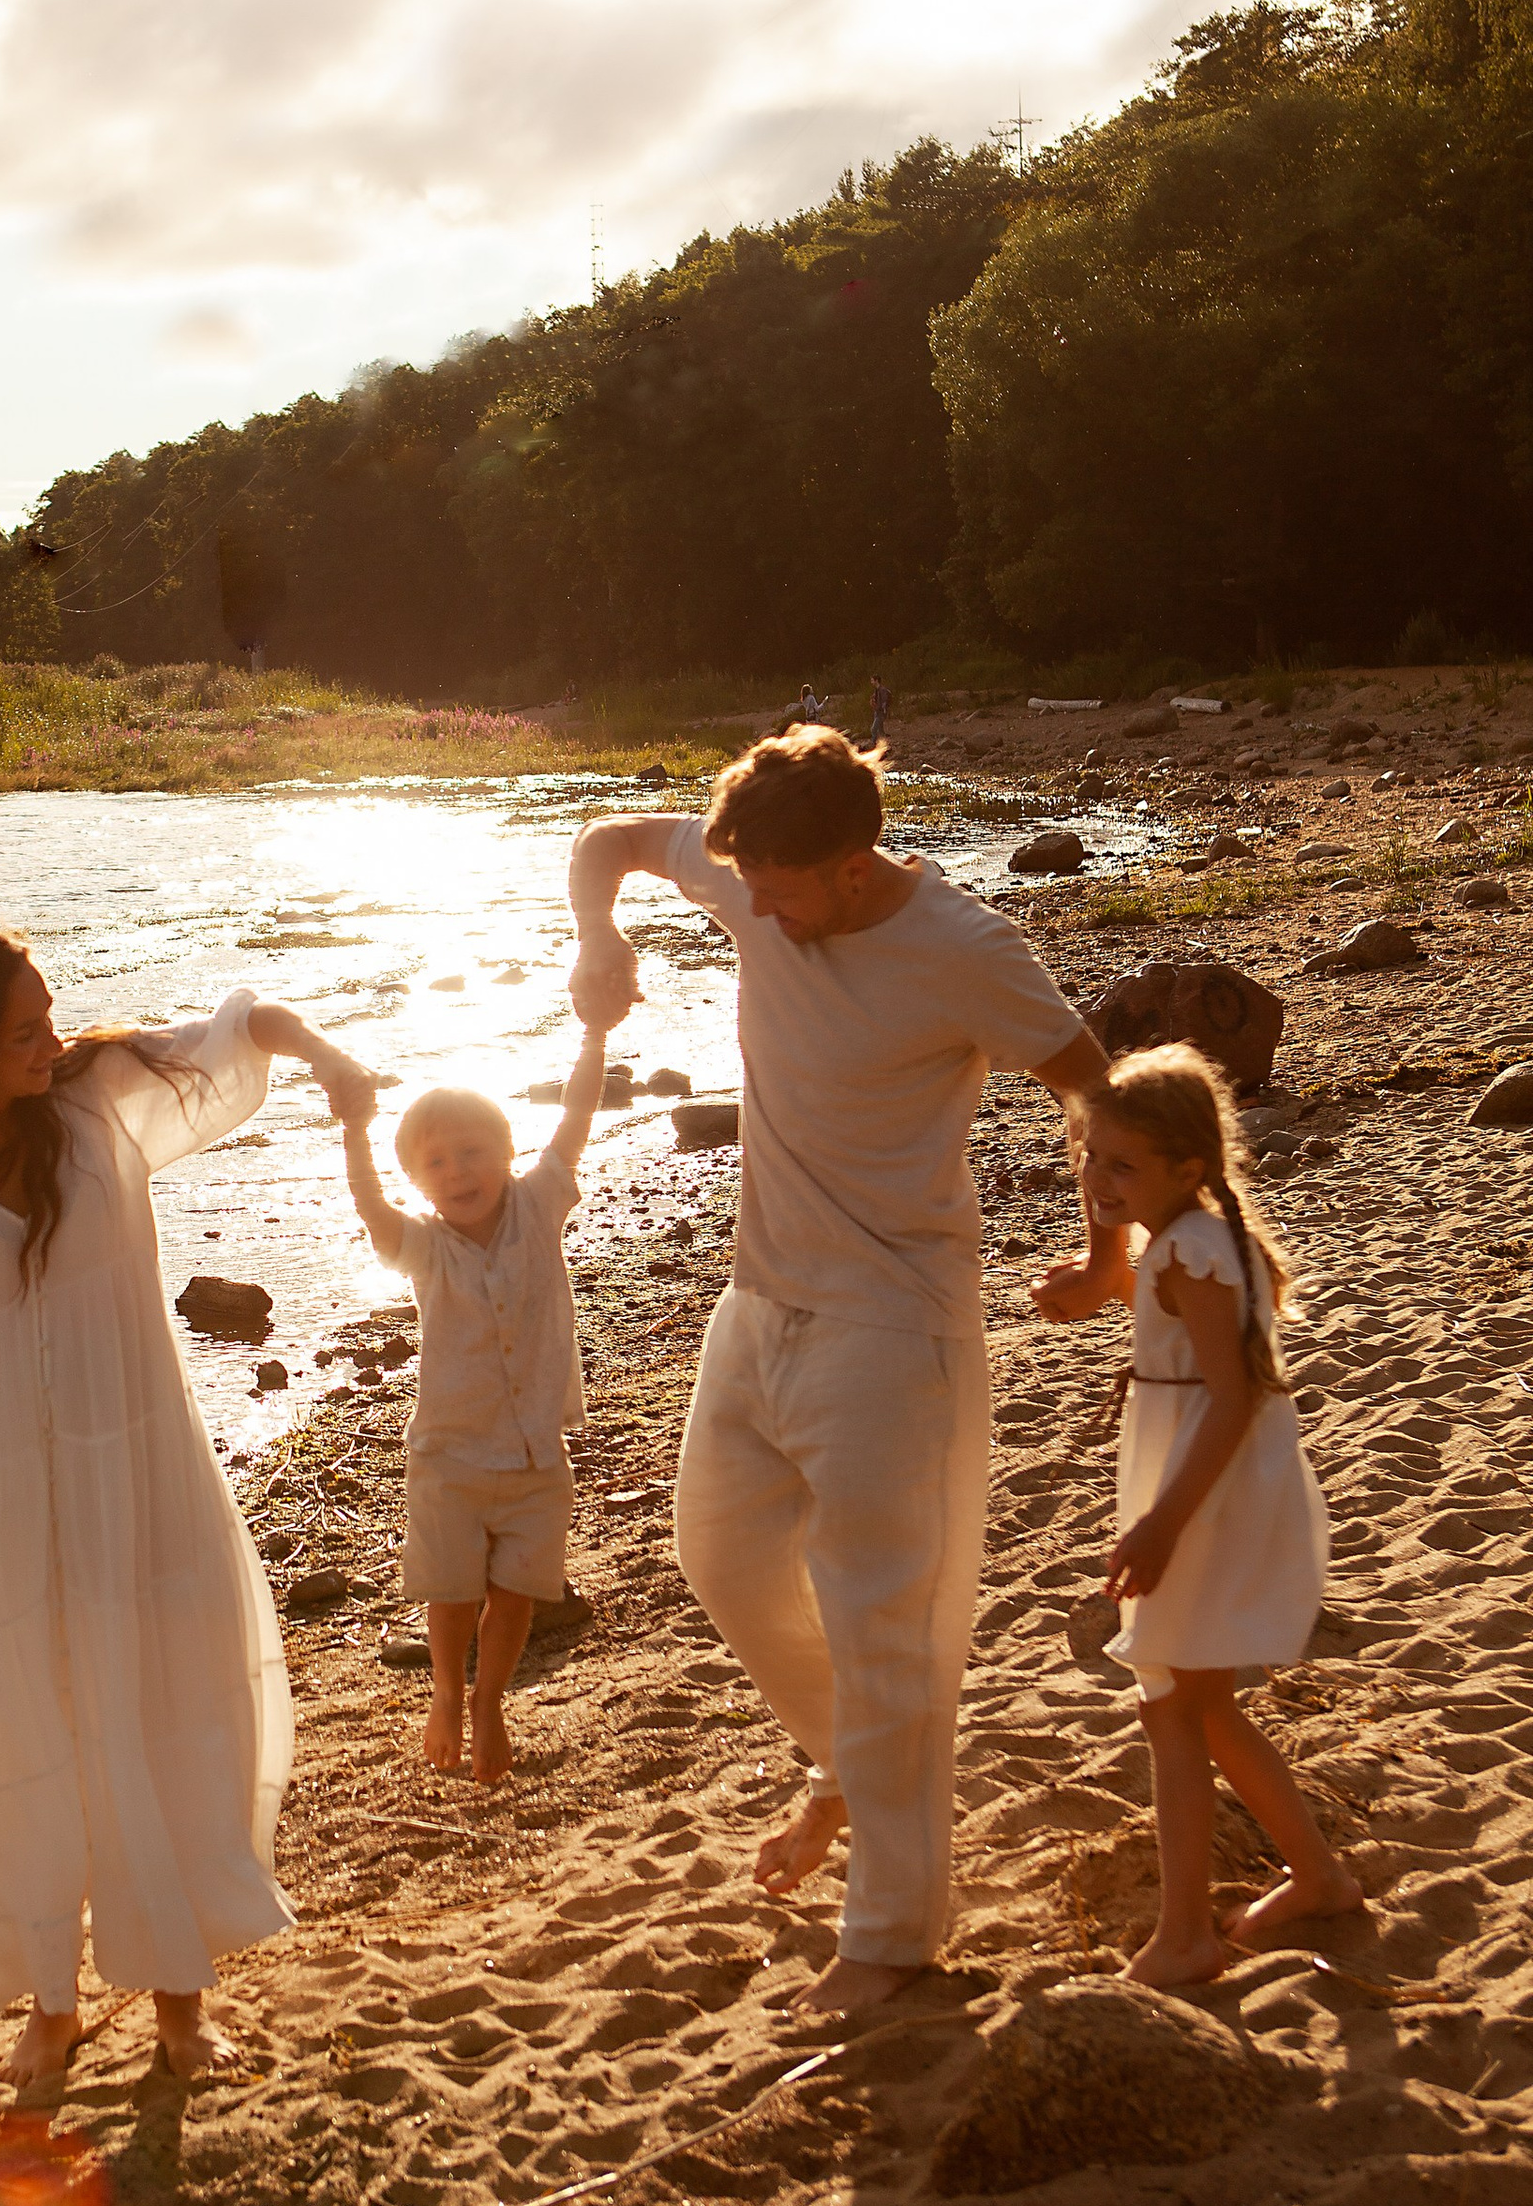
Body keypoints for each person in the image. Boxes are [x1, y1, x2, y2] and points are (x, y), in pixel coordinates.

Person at [0, 922, 378, 2094]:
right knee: (24, 1743)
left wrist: (332, 1061)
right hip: (0, 1499)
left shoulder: (95, 1095)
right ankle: (51, 2005)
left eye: (47, 1014)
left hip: (142, 1474)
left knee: (166, 1716)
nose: (49, 1040)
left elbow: (240, 1026)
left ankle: (180, 2007)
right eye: (20, 1030)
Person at [568, 725, 1122, 2022]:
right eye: (742, 875)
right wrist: (602, 939)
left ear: (857, 865)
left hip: (895, 1328)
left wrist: (1106, 1254)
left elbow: (1093, 1086)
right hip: (758, 1308)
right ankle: (841, 1772)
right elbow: (602, 844)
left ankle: (889, 1943)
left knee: (891, 1634)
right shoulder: (756, 880)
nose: (750, 903)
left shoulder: (969, 953)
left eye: (778, 882)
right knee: (719, 1557)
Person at [1038, 1044, 1349, 1987]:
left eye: (1121, 1164)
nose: (1097, 1177)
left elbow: (1236, 1393)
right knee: (1200, 1706)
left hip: (1205, 1492)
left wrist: (1165, 1522)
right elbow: (1167, 1327)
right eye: (1091, 1155)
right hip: (1197, 1478)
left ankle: (1184, 1937)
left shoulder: (1192, 1251)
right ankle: (1321, 1877)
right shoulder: (1192, 1237)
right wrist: (1095, 1282)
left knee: (1171, 1707)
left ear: (1190, 1166)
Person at [341, 1027, 607, 1784]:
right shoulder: (422, 1246)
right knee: (454, 1599)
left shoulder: (541, 1202)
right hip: (451, 1459)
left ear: (506, 1153)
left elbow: (577, 1118)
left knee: (520, 1595)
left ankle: (490, 1702)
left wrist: (594, 1039)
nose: (458, 1171)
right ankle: (449, 1693)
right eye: (437, 1162)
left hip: (533, 1453)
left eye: (472, 1152)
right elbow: (368, 1204)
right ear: (419, 1182)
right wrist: (357, 1130)